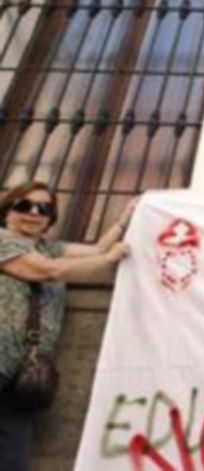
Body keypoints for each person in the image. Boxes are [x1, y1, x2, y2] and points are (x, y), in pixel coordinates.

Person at [0, 181, 133, 470]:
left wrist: (126, 218)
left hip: (23, 374)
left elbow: (97, 248)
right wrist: (108, 260)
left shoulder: (49, 247)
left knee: (13, 459)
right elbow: (48, 271)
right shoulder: (3, 240)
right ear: (7, 211)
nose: (34, 212)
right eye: (24, 205)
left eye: (44, 208)